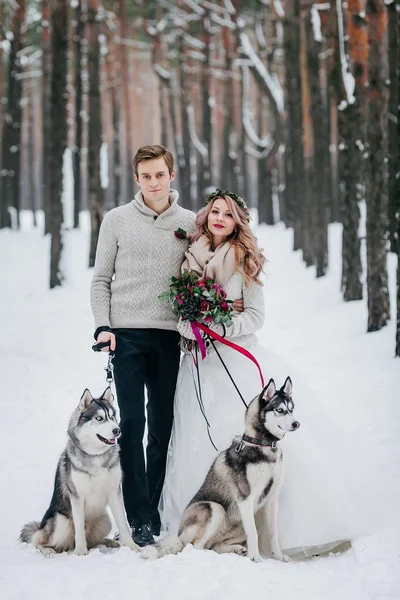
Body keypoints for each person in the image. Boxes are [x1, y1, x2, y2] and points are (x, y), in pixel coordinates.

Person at [160, 190, 372, 559]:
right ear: (206, 216)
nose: (220, 218)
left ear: (238, 221)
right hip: (199, 366)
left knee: (248, 441)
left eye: (228, 214)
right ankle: (214, 528)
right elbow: (182, 313)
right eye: (215, 212)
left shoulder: (245, 261)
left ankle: (272, 532)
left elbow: (256, 316)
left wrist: (217, 328)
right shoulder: (190, 257)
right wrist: (189, 326)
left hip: (236, 360)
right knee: (201, 446)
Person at [90, 145, 196, 546]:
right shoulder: (116, 220)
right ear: (136, 179)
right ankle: (140, 517)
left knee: (163, 424)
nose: (153, 182)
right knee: (131, 425)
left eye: (160, 174)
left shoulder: (189, 223)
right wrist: (104, 326)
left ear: (172, 175)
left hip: (170, 337)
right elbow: (100, 279)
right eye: (145, 176)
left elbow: (198, 277)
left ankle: (153, 503)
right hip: (126, 335)